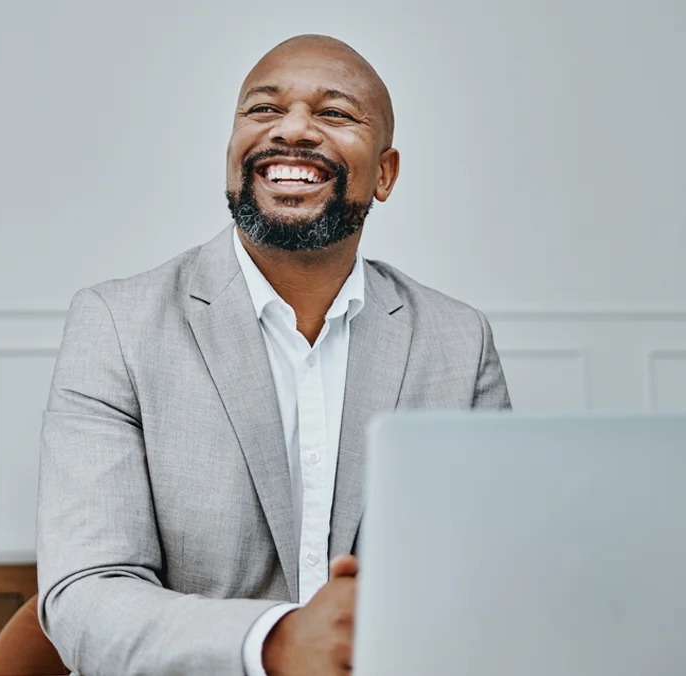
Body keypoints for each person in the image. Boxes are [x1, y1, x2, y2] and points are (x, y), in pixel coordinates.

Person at [36, 33, 511, 676]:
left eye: (334, 113)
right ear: (233, 156)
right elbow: (85, 596)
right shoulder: (117, 325)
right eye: (262, 110)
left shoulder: (458, 340)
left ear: (385, 173)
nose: (291, 130)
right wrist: (275, 641)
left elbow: (490, 575)